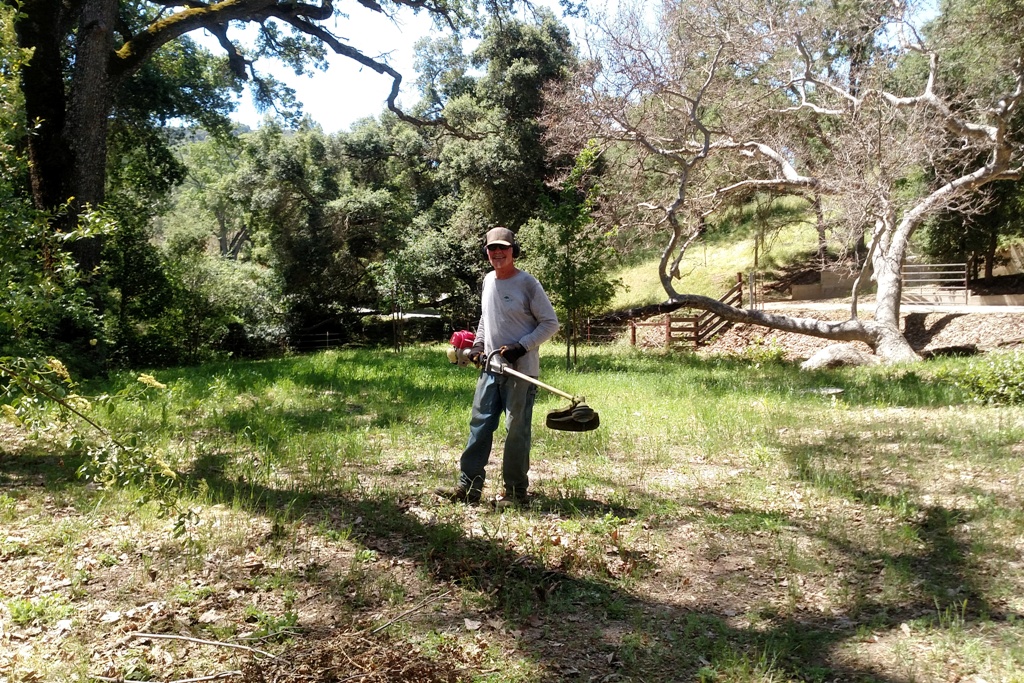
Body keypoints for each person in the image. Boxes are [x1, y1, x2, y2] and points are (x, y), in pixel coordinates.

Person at [436, 227, 560, 509]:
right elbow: (486, 318)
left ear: (513, 251)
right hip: (490, 368)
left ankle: (516, 494)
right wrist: (478, 347)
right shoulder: (488, 281)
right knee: (479, 426)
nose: (497, 253)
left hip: (521, 371)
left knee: (516, 431)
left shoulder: (528, 284)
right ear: (487, 253)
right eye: (492, 249)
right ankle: (468, 488)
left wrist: (522, 346)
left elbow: (550, 323)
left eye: (503, 247)